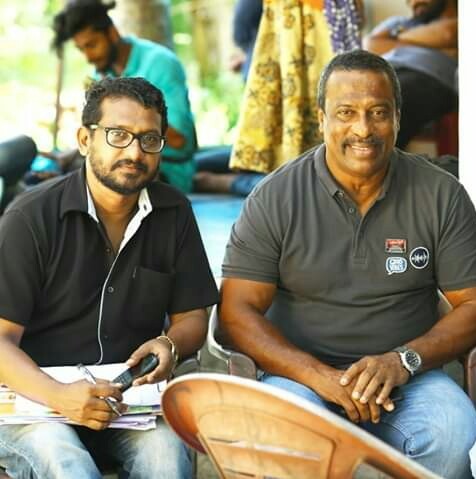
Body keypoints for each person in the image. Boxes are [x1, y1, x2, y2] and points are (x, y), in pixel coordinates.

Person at [219, 49, 476, 478]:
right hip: (300, 378)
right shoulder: (275, 197)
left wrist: (403, 361)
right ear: (321, 119)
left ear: (397, 118)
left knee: (451, 430)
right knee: (290, 437)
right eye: (346, 113)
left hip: (409, 378)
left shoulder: (440, 193)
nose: (363, 129)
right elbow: (235, 312)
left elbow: (472, 304)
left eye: (378, 112)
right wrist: (318, 376)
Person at [0, 77, 219, 478]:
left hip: (129, 402)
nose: (135, 152)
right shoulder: (30, 218)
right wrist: (59, 397)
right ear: (85, 140)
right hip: (36, 401)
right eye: (118, 135)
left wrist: (170, 344)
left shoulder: (173, 212)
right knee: (66, 463)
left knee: (166, 459)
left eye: (149, 139)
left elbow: (192, 317)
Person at [194, 0, 362, 196]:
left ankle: (205, 175)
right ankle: (201, 174)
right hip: (294, 70)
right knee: (285, 157)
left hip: (290, 69)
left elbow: (241, 28)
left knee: (277, 154)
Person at [51, 0, 196, 193]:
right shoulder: (102, 74)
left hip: (167, 170)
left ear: (112, 33)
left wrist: (129, 116)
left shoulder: (160, 63)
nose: (88, 57)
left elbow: (181, 143)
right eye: (81, 49)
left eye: (92, 45)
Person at [364, 0, 458, 149]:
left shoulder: (460, 19)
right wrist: (429, 40)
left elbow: (448, 33)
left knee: (383, 104)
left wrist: (394, 37)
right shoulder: (398, 22)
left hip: (426, 77)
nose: (413, 2)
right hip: (381, 74)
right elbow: (370, 45)